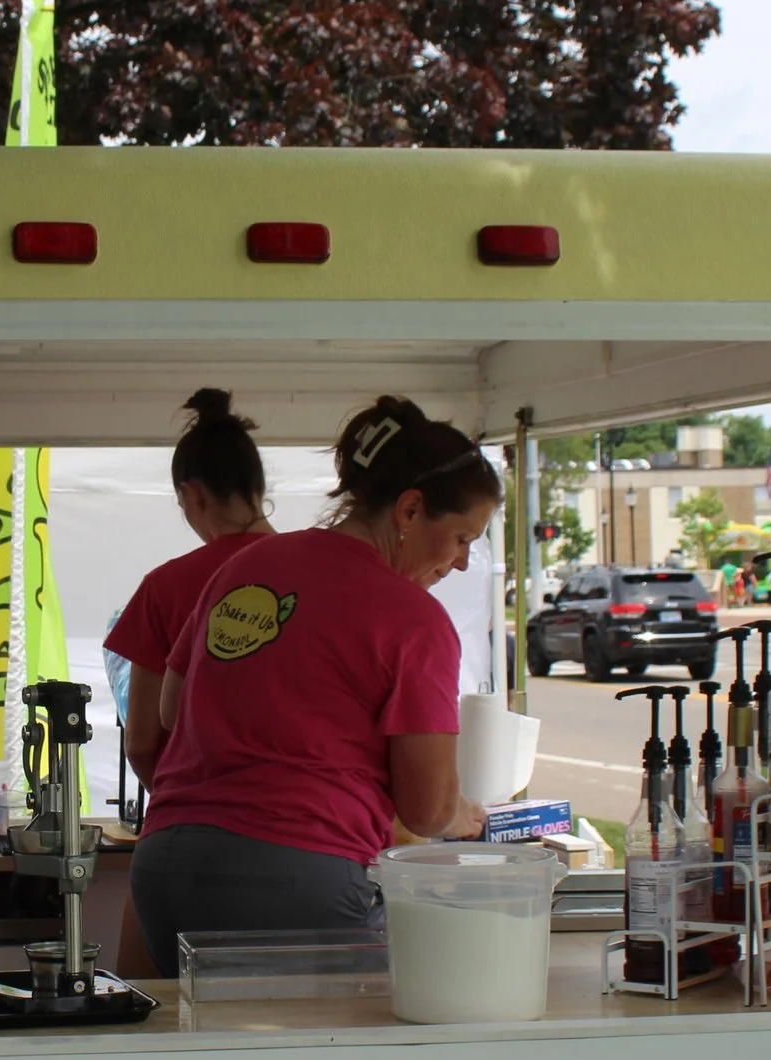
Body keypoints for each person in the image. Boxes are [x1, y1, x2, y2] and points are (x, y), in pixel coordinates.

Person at [130, 396, 501, 973]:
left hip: (169, 862)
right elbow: (426, 809)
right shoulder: (414, 620)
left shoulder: (247, 566)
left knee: (209, 1056)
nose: (459, 563)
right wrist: (462, 815)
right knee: (340, 1056)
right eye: (460, 538)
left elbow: (173, 709)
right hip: (299, 873)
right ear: (409, 510)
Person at [104, 389, 276, 791]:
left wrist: (175, 802)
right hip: (306, 822)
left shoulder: (165, 587)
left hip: (193, 823)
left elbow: (142, 743)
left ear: (192, 495)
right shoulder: (315, 571)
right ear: (259, 487)